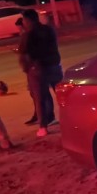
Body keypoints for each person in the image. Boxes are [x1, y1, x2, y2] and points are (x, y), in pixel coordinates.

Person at [20, 9, 62, 137]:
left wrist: (27, 68)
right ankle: (73, 118)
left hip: (39, 69)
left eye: (24, 20)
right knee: (62, 95)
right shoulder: (49, 30)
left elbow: (24, 53)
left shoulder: (28, 34)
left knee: (40, 99)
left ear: (28, 20)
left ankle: (43, 127)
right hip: (54, 65)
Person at [15, 18, 38, 126]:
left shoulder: (27, 36)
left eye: (20, 28)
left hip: (32, 68)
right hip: (29, 68)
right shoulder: (25, 36)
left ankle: (40, 116)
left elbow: (24, 51)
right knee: (34, 94)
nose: (19, 30)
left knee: (36, 94)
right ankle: (39, 114)